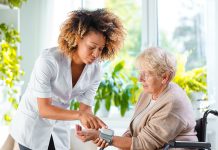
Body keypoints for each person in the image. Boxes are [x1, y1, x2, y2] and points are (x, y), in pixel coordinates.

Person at [10, 8, 125, 150]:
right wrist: (79, 115)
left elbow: (86, 108)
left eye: (100, 49)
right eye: (92, 47)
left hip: (59, 125)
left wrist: (92, 127)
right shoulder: (49, 61)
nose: (96, 54)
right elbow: (44, 109)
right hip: (33, 125)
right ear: (77, 39)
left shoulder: (95, 71)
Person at [75, 47, 198, 150]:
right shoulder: (147, 93)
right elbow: (132, 131)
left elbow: (144, 144)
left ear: (165, 77)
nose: (140, 79)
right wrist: (104, 137)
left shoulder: (172, 101)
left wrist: (105, 137)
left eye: (147, 73)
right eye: (140, 72)